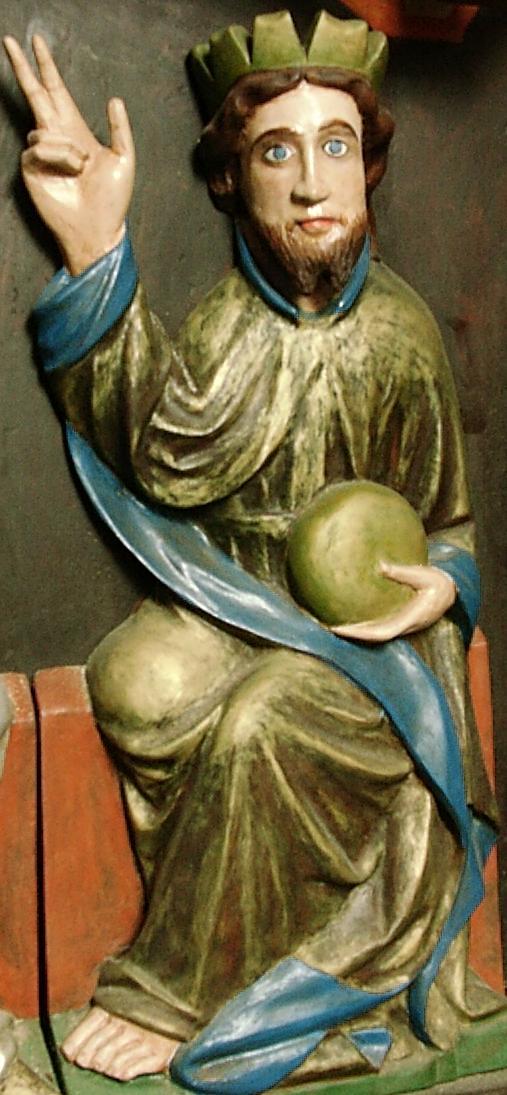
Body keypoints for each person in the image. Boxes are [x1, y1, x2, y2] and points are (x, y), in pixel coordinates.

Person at [4, 12, 505, 1093]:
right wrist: (95, 249)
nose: (313, 184)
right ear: (232, 180)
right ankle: (247, 920)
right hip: (238, 600)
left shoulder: (402, 336)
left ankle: (180, 991)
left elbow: (452, 529)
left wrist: (438, 586)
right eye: (277, 151)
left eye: (336, 147)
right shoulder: (229, 324)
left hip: (367, 649)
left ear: (369, 170)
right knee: (134, 680)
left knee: (262, 723)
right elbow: (161, 444)